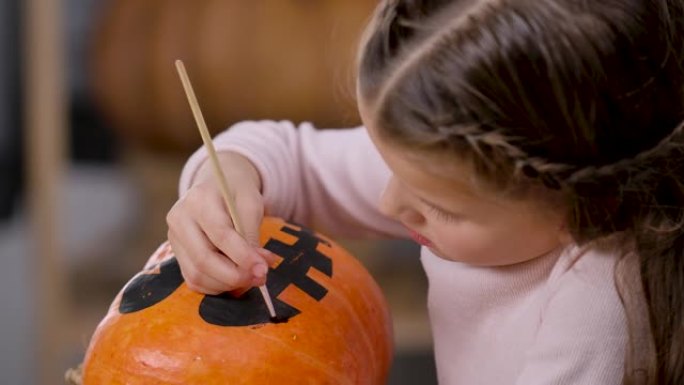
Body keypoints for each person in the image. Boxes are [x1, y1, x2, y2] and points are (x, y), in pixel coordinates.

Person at [166, 0, 684, 383]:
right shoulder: (460, 176)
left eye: (438, 206)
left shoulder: (600, 312)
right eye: (388, 164)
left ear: (592, 202)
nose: (390, 203)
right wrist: (222, 183)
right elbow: (289, 158)